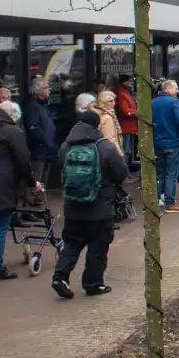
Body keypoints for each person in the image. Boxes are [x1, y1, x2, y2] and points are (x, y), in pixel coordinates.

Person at [51, 110, 129, 299]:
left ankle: (60, 277)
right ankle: (93, 284)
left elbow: (61, 170)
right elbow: (121, 172)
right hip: (100, 208)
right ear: (97, 125)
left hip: (73, 207)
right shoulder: (105, 147)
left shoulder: (66, 146)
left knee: (71, 244)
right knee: (98, 247)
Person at [0, 101, 39, 280]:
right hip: (3, 181)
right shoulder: (13, 132)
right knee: (1, 224)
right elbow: (23, 160)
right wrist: (32, 182)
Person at [152, 80, 179, 213]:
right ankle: (170, 202)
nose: (177, 91)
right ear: (168, 89)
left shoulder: (153, 102)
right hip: (172, 140)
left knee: (159, 173)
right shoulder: (173, 102)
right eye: (176, 88)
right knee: (171, 174)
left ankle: (156, 199)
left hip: (157, 141)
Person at [22, 77, 57, 209]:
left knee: (41, 180)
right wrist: (45, 140)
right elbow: (33, 127)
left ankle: (37, 205)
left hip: (46, 150)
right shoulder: (32, 105)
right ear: (39, 90)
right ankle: (29, 208)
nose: (49, 90)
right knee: (35, 179)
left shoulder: (42, 105)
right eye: (46, 87)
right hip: (38, 150)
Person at [92, 90, 124, 156]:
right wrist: (120, 155)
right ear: (103, 103)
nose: (114, 103)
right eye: (110, 101)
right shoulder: (107, 118)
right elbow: (110, 140)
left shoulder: (104, 115)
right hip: (110, 154)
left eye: (114, 100)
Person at [115, 74, 138, 161]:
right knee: (125, 150)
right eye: (129, 81)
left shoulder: (124, 92)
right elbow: (125, 110)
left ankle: (126, 170)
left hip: (129, 125)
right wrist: (137, 113)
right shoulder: (121, 93)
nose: (130, 83)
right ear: (124, 82)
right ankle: (124, 171)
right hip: (125, 126)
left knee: (127, 150)